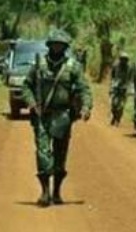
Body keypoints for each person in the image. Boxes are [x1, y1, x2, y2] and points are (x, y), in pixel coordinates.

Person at [20, 28, 92, 207]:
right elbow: (26, 86)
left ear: (65, 47)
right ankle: (45, 192)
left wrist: (86, 107)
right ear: (49, 45)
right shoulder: (39, 65)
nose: (57, 48)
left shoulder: (73, 67)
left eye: (61, 45)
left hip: (63, 116)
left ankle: (57, 192)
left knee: (60, 154)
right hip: (42, 115)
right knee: (43, 153)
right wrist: (31, 103)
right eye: (55, 45)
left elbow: (84, 89)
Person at [109, 51, 133, 126]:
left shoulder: (129, 68)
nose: (123, 61)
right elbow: (112, 76)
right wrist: (112, 84)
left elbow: (130, 79)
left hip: (124, 88)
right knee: (113, 104)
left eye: (125, 60)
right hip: (115, 87)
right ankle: (114, 116)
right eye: (122, 59)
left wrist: (129, 87)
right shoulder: (115, 65)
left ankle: (118, 119)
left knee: (121, 106)